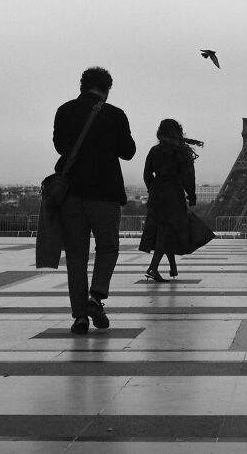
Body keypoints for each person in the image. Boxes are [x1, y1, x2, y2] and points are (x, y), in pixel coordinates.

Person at [53, 67, 136, 333]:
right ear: (107, 88)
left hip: (72, 194)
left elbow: (60, 146)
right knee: (108, 247)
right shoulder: (114, 115)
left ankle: (79, 316)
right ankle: (96, 296)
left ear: (82, 85)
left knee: (76, 256)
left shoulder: (63, 111)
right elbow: (128, 152)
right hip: (105, 193)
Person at [140, 118, 197, 281]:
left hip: (157, 193)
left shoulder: (154, 150)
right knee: (168, 230)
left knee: (164, 230)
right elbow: (188, 176)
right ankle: (153, 268)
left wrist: (153, 188)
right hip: (173, 194)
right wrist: (191, 195)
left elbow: (146, 174)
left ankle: (172, 267)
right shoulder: (180, 151)